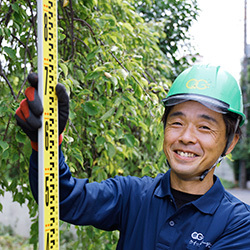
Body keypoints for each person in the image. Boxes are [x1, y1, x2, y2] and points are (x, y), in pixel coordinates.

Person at [15, 65, 250, 249]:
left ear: (231, 142)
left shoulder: (238, 224)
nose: (187, 137)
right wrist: (46, 144)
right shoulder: (133, 195)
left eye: (204, 127)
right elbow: (63, 199)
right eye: (176, 123)